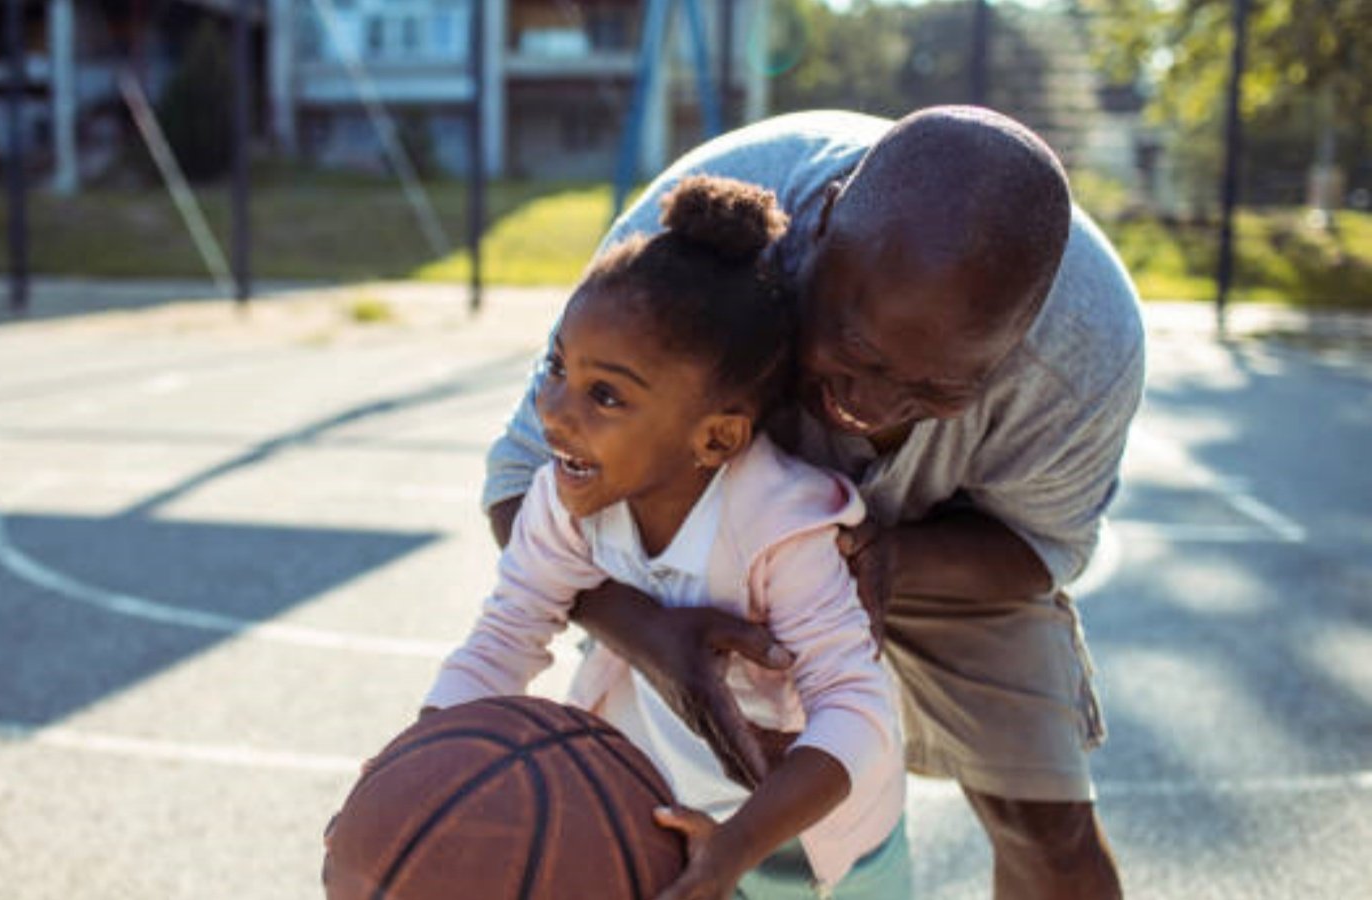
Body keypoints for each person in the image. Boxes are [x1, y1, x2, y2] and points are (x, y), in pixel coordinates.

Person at [482, 107, 1144, 900]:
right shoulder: (695, 244)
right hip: (706, 523)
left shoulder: (1083, 349)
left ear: (1017, 343)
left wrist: (885, 558)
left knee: (1048, 826)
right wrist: (645, 629)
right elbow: (523, 482)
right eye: (857, 351)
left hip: (943, 546)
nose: (873, 407)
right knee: (636, 822)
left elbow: (1041, 550)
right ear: (819, 228)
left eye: (937, 388)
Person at [426, 175, 912, 899]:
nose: (554, 411)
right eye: (558, 366)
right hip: (664, 815)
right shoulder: (567, 500)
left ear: (715, 438)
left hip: (812, 846)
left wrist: (736, 849)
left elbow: (856, 710)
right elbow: (506, 636)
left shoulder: (782, 525)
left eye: (606, 395)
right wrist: (415, 766)